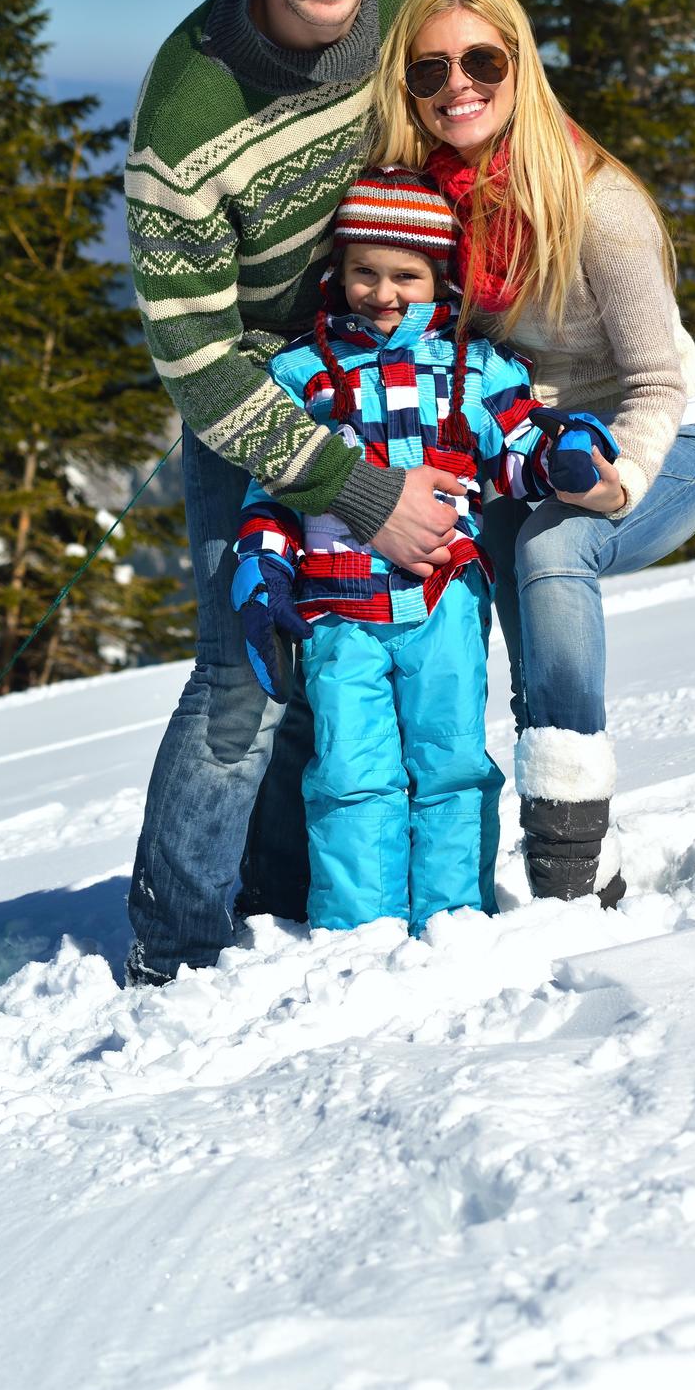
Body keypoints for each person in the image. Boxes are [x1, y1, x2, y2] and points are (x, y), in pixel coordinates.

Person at [123, 0, 451, 985]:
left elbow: (480, 82)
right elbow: (200, 363)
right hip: (256, 389)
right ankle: (175, 947)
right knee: (245, 671)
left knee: (345, 648)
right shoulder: (187, 108)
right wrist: (358, 491)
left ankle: (280, 884)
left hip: (381, 362)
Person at [366, 0, 695, 907]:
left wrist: (622, 478)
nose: (459, 85)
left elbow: (659, 382)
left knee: (555, 546)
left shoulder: (598, 207)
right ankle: (472, 836)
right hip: (528, 445)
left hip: (662, 441)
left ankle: (566, 871)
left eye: (482, 61)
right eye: (431, 68)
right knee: (479, 559)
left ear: (522, 66)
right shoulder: (431, 203)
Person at [230, 167, 568, 933]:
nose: (383, 294)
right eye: (364, 273)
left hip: (442, 597)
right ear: (339, 272)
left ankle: (453, 917)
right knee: (350, 771)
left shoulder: (475, 368)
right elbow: (276, 487)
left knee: (449, 762)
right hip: (336, 607)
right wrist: (263, 565)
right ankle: (359, 928)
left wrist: (561, 456)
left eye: (406, 276)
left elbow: (515, 450)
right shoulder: (303, 374)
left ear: (438, 276)